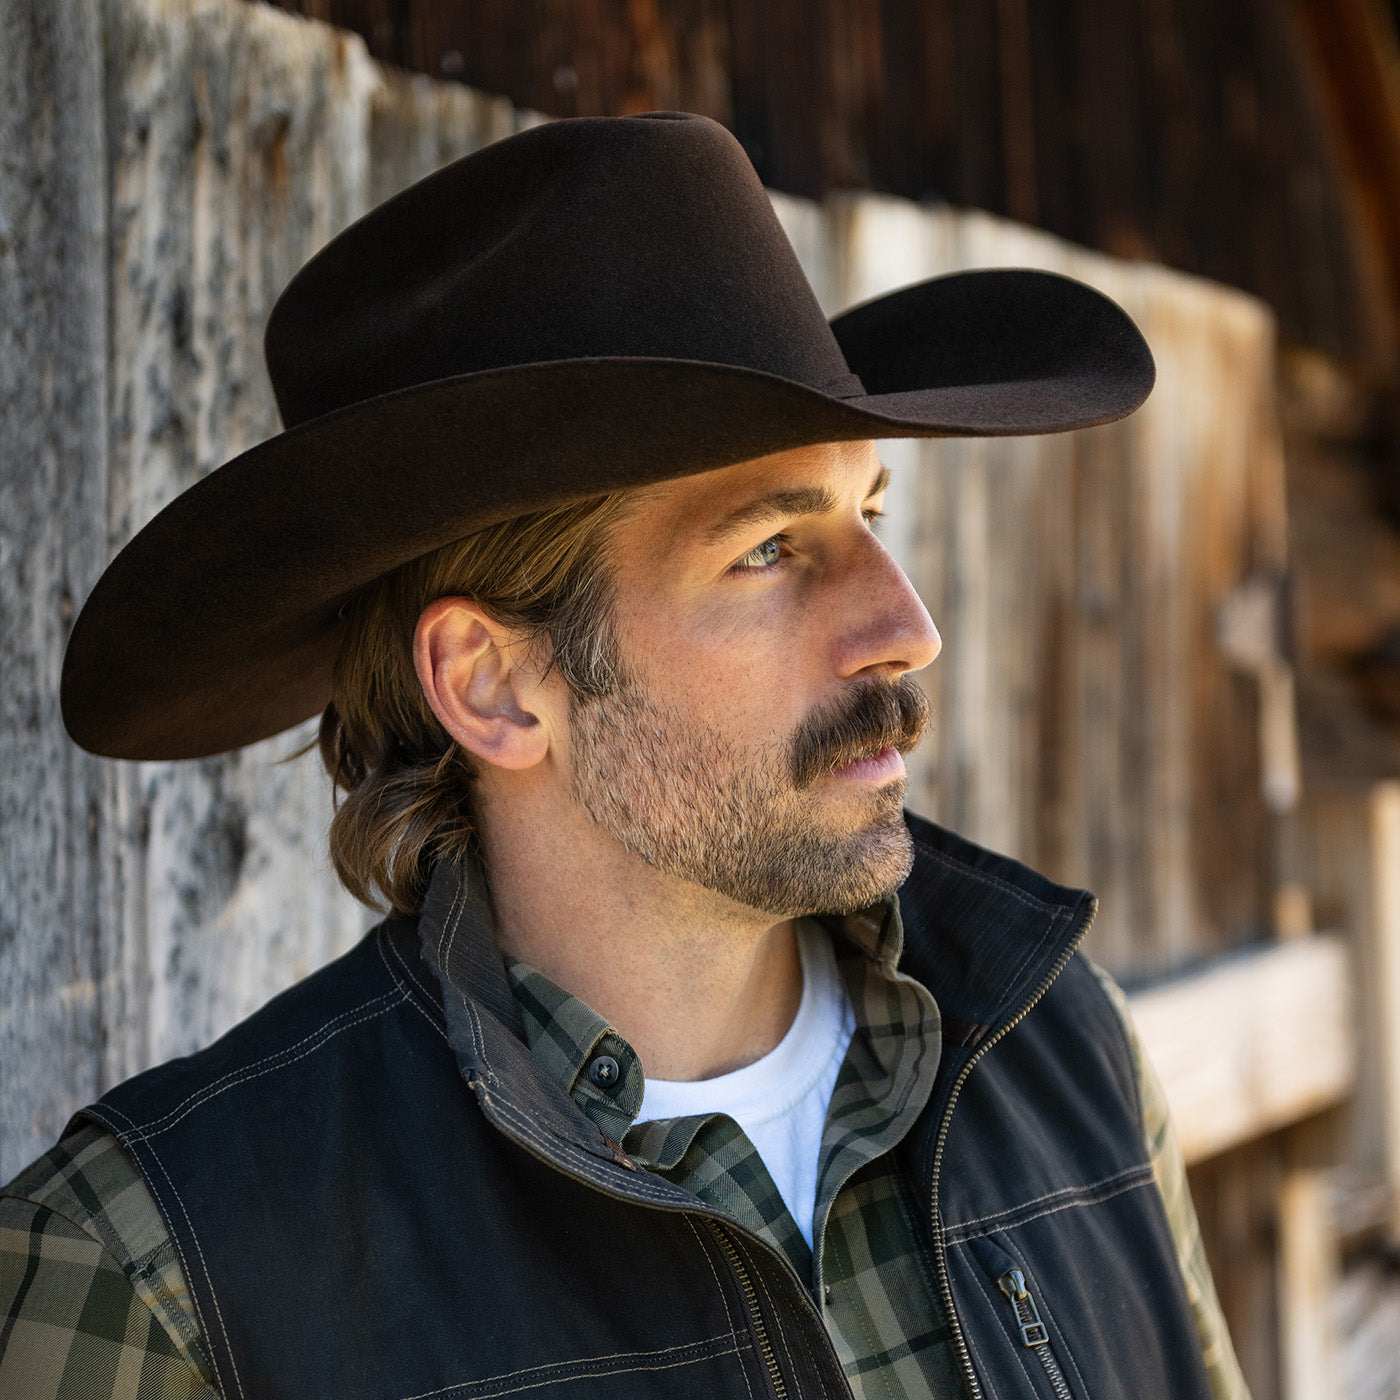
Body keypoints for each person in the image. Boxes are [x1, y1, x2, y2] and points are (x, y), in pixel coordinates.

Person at [1, 112, 1248, 1399]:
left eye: (867, 514)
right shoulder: (160, 1279)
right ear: (493, 686)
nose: (906, 630)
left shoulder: (1057, 1049)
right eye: (766, 549)